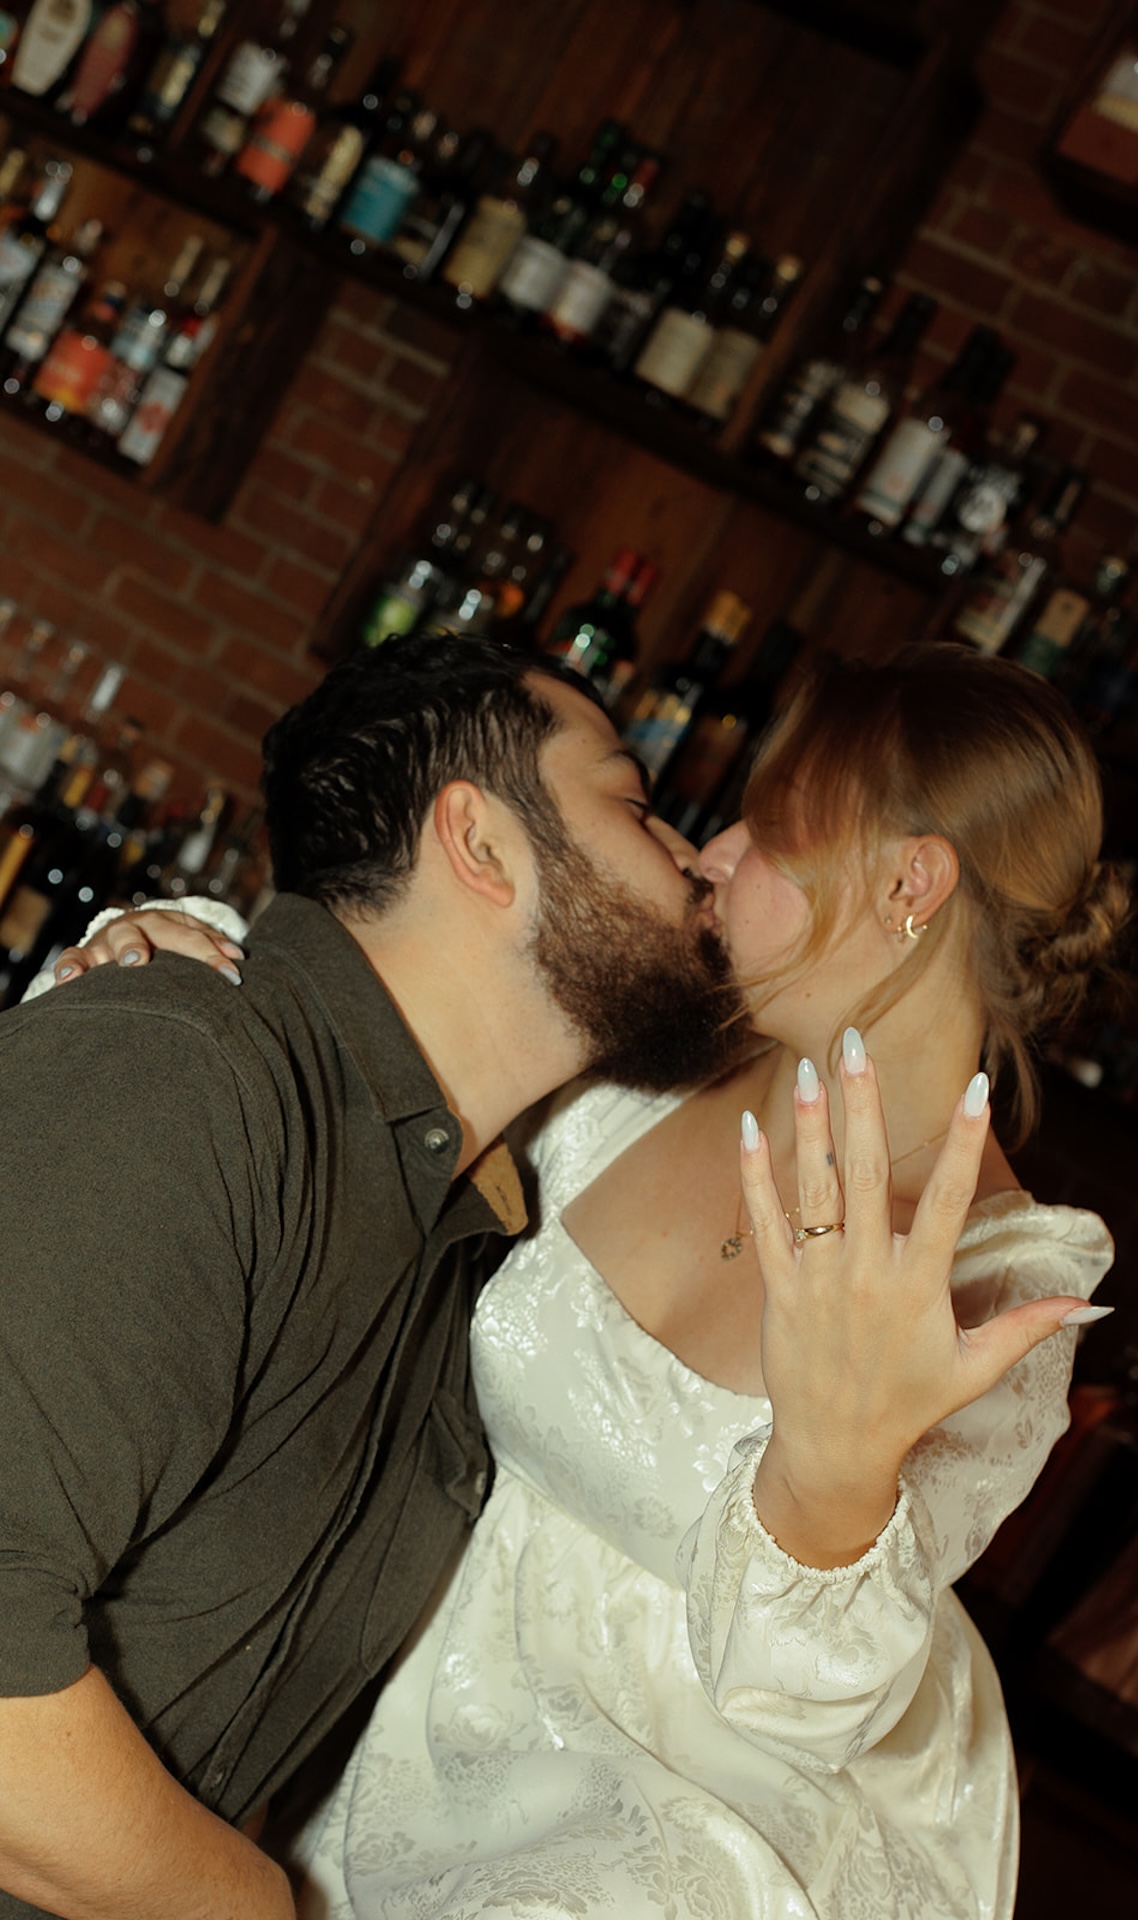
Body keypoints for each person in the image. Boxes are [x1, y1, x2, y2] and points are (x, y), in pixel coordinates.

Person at [58, 641, 1127, 1919]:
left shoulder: (1005, 1279)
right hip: (381, 1690)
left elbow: (804, 1692)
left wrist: (834, 1483)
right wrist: (190, 959)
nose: (710, 856)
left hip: (680, 1832)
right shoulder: (637, 1065)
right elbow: (401, 1056)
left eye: (768, 831)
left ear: (910, 879)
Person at [0, 634, 748, 1920]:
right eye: (632, 801)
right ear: (481, 843)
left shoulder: (467, 1257)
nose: (694, 857)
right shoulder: (186, 1073)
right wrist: (254, 1904)